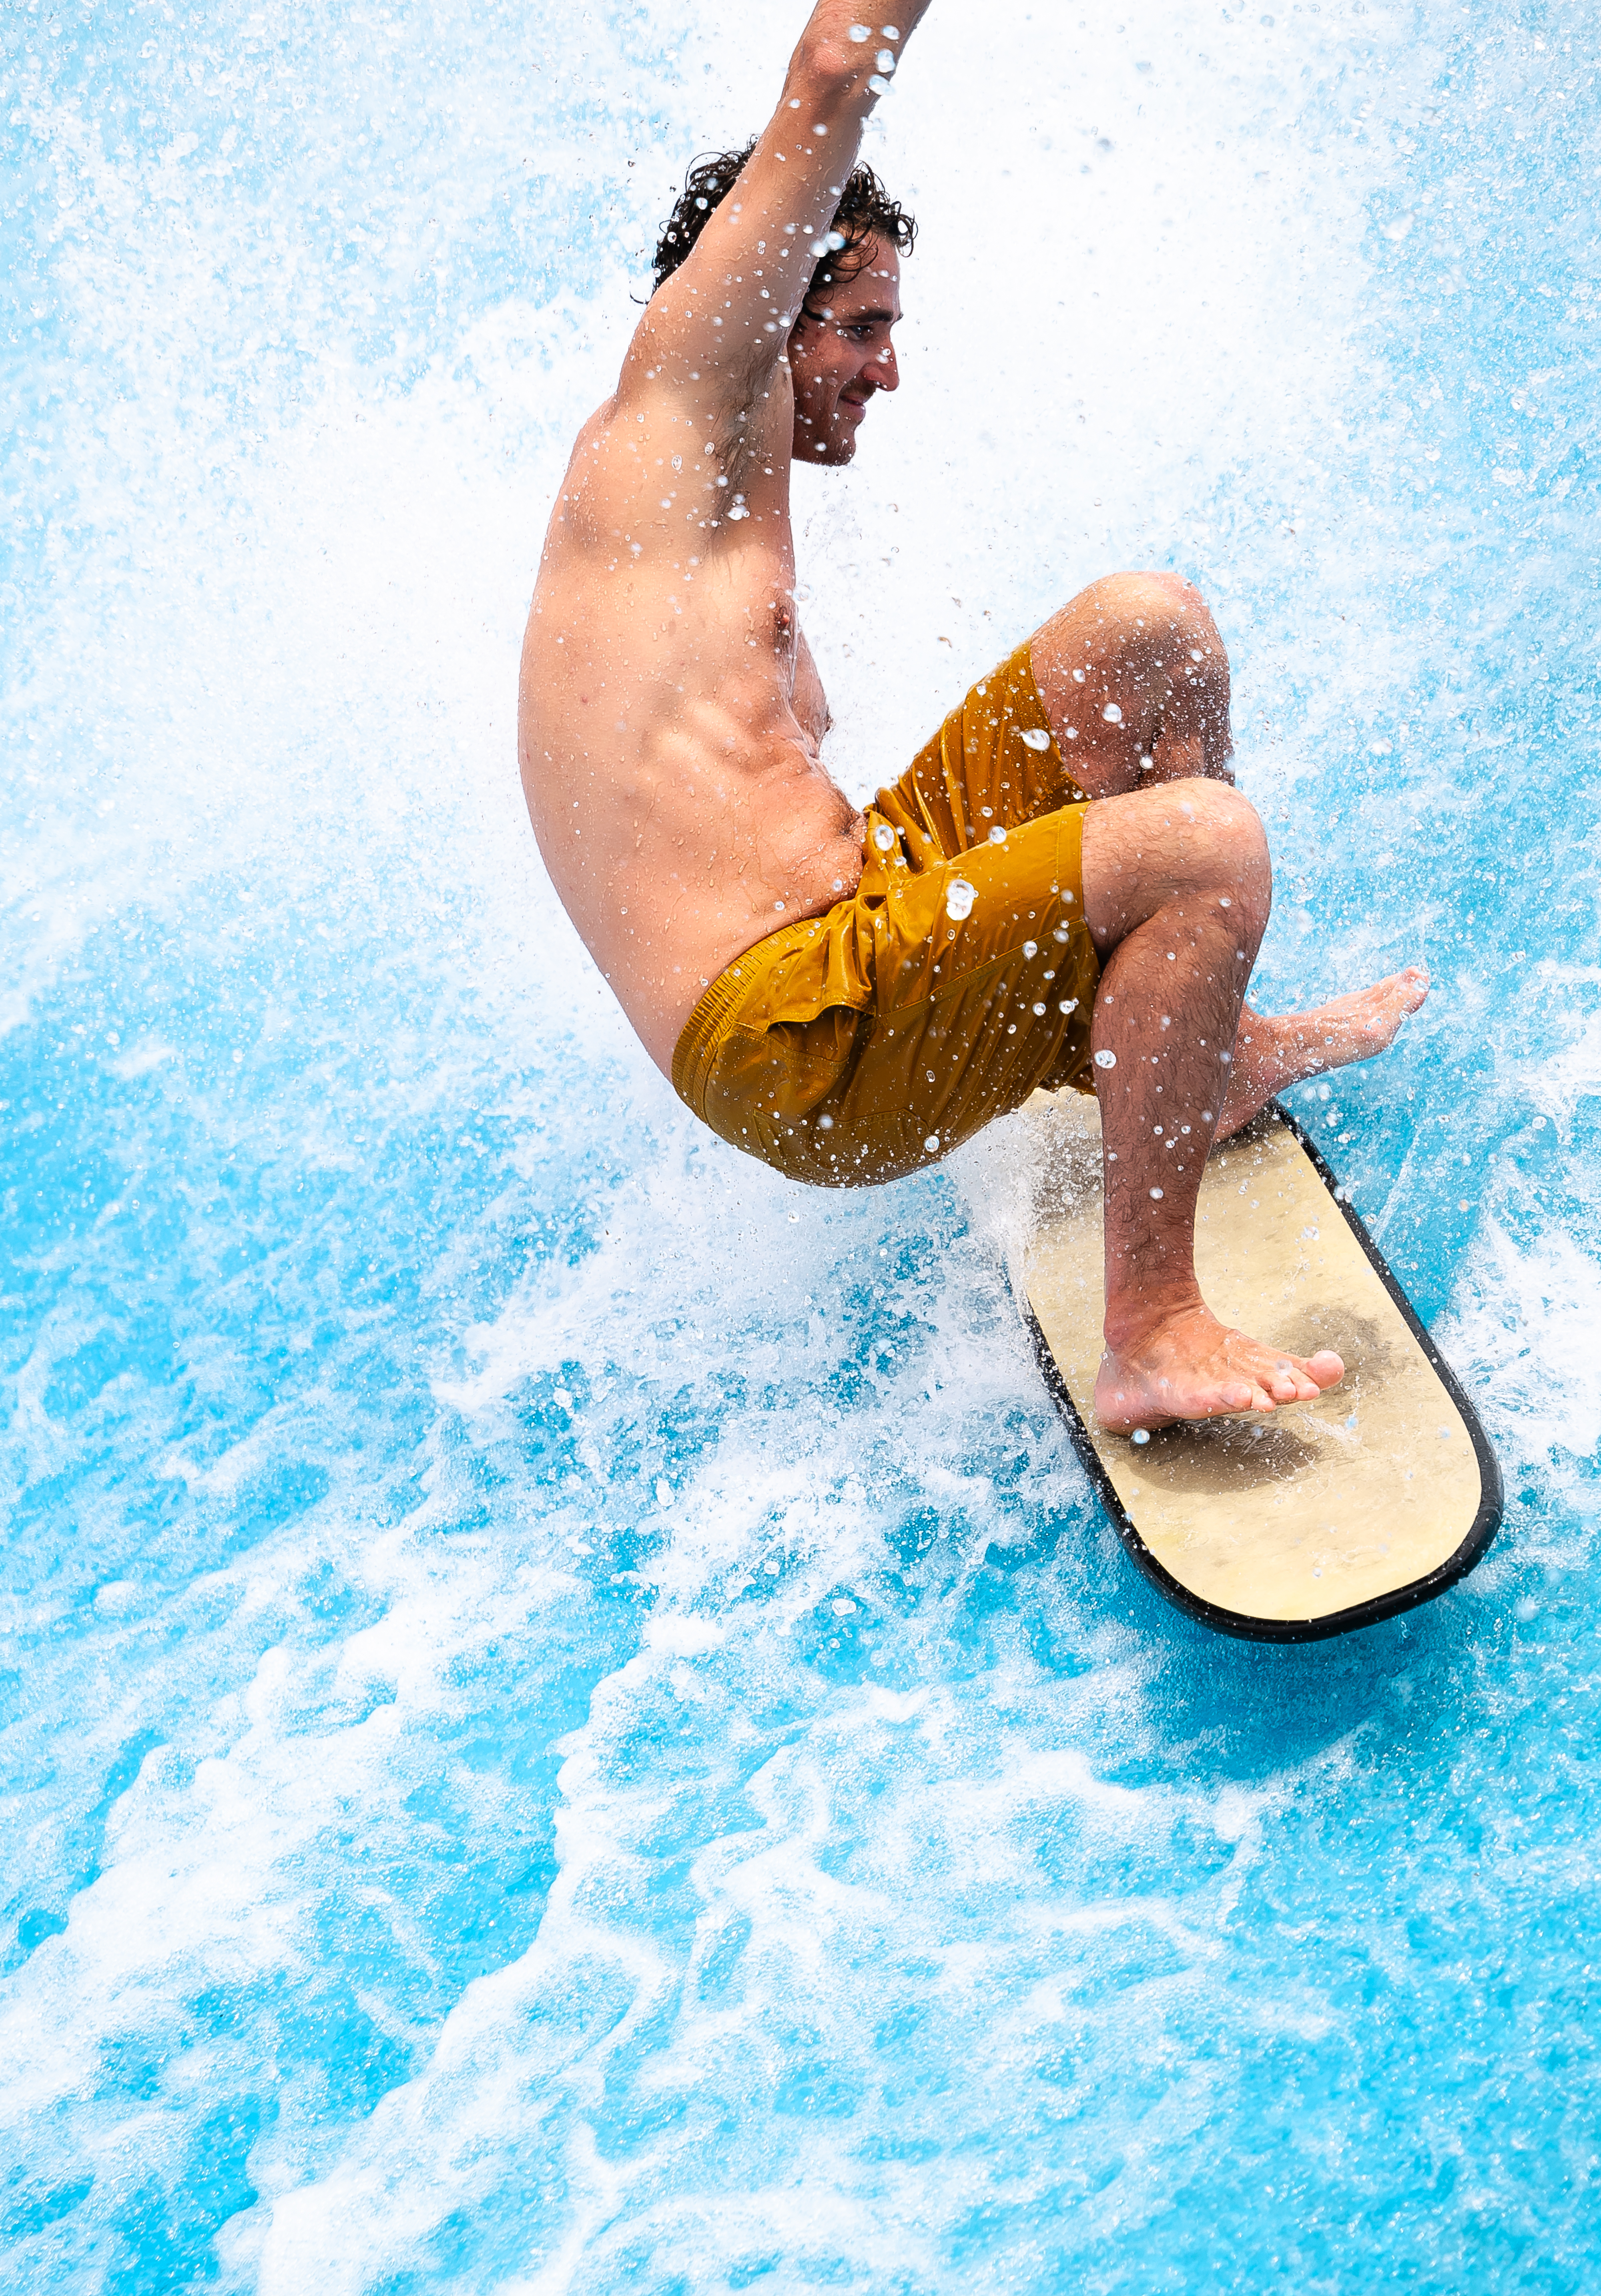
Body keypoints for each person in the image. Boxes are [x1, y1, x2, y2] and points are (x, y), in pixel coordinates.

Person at [518, 0, 1428, 1432]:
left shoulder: (729, 488)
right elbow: (833, 67)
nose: (889, 369)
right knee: (1206, 848)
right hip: (796, 1043)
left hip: (854, 919)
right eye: (865, 329)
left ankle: (1209, 1049)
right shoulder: (675, 416)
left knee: (1150, 631)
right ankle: (1157, 1329)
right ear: (769, 304)